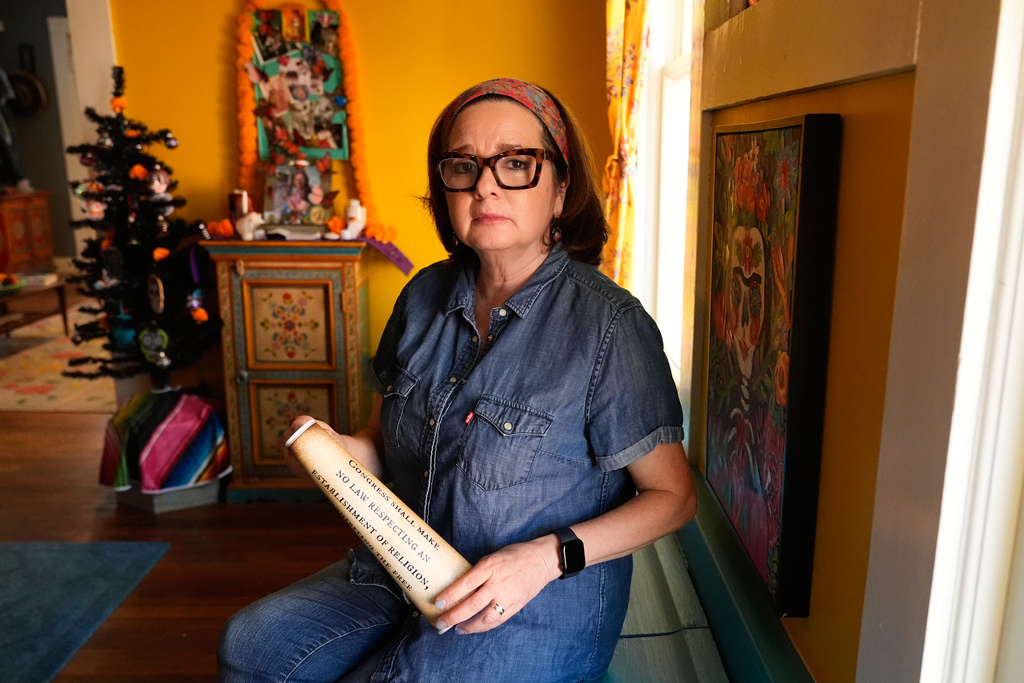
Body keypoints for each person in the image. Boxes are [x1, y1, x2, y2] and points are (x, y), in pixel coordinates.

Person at [218, 78, 697, 683]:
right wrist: (330, 455)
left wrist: (545, 558)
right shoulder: (421, 295)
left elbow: (673, 499)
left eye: (517, 163)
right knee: (251, 646)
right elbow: (378, 444)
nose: (486, 185)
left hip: (532, 600)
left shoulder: (610, 327)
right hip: (405, 571)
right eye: (463, 166)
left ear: (561, 189)